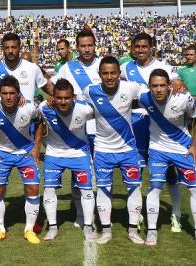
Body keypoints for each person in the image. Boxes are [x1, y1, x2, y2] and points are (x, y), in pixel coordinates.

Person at [140, 69, 196, 246]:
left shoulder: (182, 98)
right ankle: (151, 231)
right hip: (157, 150)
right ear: (149, 87)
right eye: (155, 86)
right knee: (155, 188)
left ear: (170, 86)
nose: (158, 89)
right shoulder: (143, 97)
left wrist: (195, 144)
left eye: (162, 85)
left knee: (194, 188)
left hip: (183, 149)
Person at [120, 32, 184, 233]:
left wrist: (178, 82)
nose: (140, 50)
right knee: (135, 171)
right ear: (132, 48)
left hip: (160, 125)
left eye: (144, 46)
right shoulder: (125, 69)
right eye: (137, 46)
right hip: (136, 124)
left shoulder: (164, 67)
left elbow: (177, 81)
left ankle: (176, 214)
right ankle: (137, 215)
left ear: (152, 47)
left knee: (171, 173)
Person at [83, 56, 145, 244]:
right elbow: (72, 104)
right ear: (99, 74)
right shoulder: (90, 91)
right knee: (103, 189)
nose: (109, 77)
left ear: (119, 74)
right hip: (103, 150)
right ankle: (107, 231)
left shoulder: (131, 87)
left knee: (134, 188)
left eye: (113, 73)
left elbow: (154, 92)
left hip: (128, 149)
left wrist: (176, 83)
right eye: (105, 73)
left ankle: (133, 231)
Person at [51, 29, 102, 228]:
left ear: (95, 45)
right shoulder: (67, 68)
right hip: (76, 129)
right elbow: (51, 87)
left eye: (90, 45)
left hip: (101, 129)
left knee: (99, 173)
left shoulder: (104, 65)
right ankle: (80, 213)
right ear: (77, 47)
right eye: (83, 46)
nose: (87, 49)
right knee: (77, 173)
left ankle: (99, 212)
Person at [0, 76, 43, 244]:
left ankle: (29, 230)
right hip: (2, 153)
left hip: (26, 153)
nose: (8, 97)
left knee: (33, 188)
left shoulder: (29, 107)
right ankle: (0, 229)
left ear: (18, 94)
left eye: (12, 93)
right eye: (4, 93)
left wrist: (36, 148)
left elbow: (39, 123)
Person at [39, 79, 96, 241]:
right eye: (59, 98)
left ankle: (87, 225)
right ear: (53, 97)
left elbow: (103, 113)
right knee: (49, 191)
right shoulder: (44, 108)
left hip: (79, 154)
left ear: (73, 97)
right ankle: (52, 227)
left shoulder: (84, 110)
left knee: (86, 191)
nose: (63, 102)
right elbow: (29, 115)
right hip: (54, 155)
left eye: (66, 98)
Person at [0, 32, 53, 102]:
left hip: (27, 118)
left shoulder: (32, 68)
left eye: (14, 47)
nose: (10, 51)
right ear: (3, 49)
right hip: (3, 118)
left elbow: (49, 89)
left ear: (19, 48)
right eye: (7, 48)